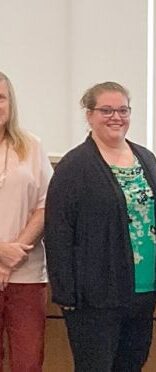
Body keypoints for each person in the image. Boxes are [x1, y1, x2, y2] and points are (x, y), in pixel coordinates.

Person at [44, 81, 156, 371]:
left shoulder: (145, 158)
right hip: (94, 295)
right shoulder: (74, 166)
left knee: (132, 364)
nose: (116, 117)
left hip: (143, 288)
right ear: (89, 115)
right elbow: (58, 232)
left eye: (123, 110)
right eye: (106, 110)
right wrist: (65, 291)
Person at [0, 72, 53, 371]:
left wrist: (14, 252)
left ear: (11, 103)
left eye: (1, 98)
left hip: (26, 274)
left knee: (28, 362)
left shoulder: (31, 146)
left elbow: (47, 204)